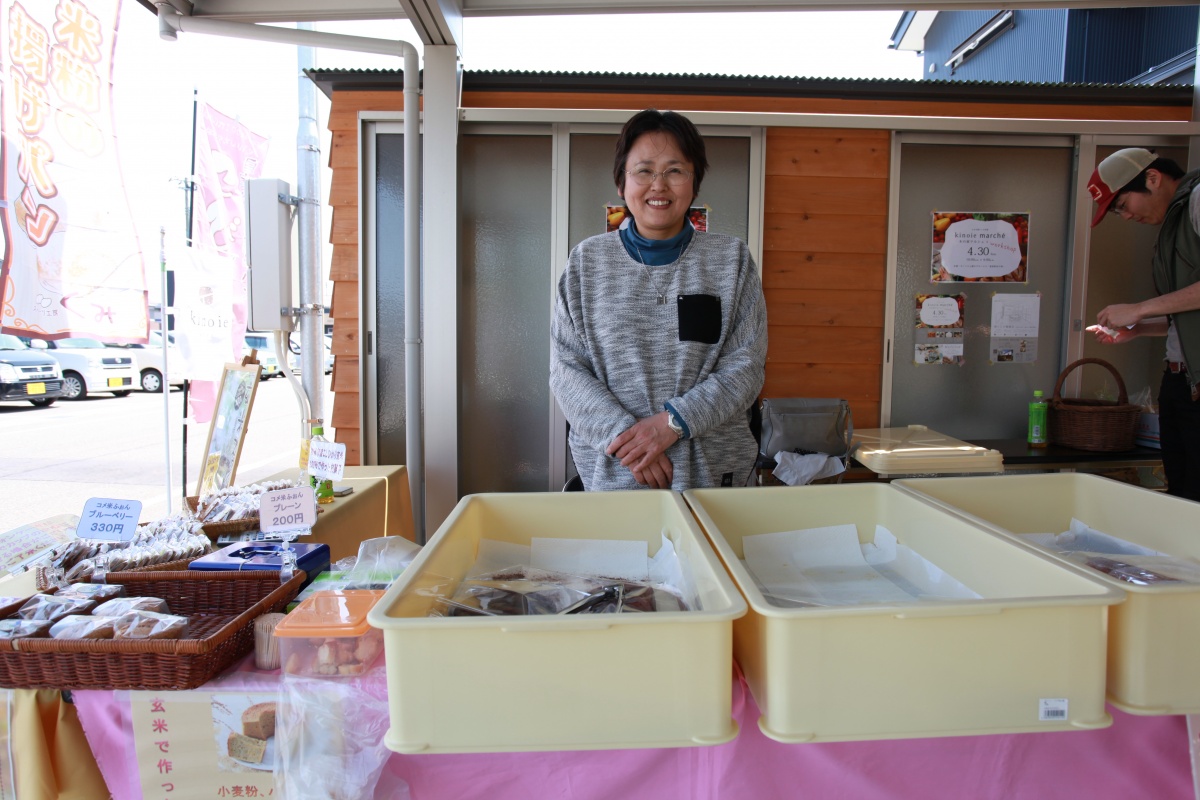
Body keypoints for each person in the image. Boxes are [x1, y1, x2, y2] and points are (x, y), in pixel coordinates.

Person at [550, 109, 768, 491]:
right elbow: (567, 371)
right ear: (621, 182)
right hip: (615, 473)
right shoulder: (586, 262)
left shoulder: (731, 260)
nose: (658, 185)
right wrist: (633, 445)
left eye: (674, 170)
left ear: (694, 182)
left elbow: (745, 366)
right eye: (644, 171)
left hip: (713, 477)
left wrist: (672, 424)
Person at [1087, 147, 1200, 502]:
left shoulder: (1197, 199)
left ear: (1152, 178)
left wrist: (1138, 309)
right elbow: (1187, 316)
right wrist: (1141, 329)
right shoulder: (1173, 222)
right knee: (1180, 496)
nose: (1124, 217)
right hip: (1180, 381)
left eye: (1121, 205)